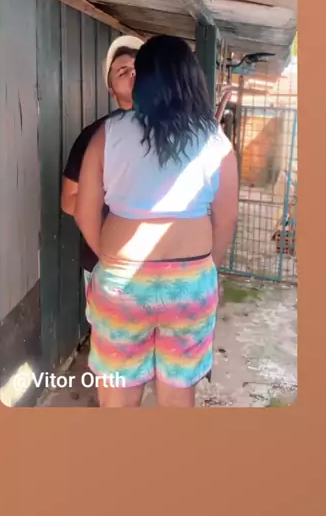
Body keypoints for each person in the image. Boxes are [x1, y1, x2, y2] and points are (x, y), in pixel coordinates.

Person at [75, 34, 239, 408]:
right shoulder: (215, 141)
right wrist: (206, 269)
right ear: (192, 79)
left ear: (142, 79)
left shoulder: (108, 133)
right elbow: (227, 219)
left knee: (118, 397)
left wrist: (112, 260)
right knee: (177, 397)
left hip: (122, 282)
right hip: (190, 281)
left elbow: (84, 213)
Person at [61, 35, 143, 302]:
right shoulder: (95, 136)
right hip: (106, 263)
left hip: (158, 264)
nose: (132, 73)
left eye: (137, 68)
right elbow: (69, 200)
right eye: (122, 70)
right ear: (111, 89)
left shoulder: (170, 131)